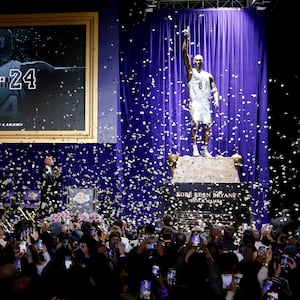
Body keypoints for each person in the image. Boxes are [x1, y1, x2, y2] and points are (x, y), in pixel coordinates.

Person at [0, 28, 85, 130]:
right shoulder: (28, 70)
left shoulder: (26, 71)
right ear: (9, 46)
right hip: (21, 137)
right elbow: (76, 74)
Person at [182, 26, 219, 157]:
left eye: (200, 60)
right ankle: (194, 148)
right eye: (196, 60)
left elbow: (215, 90)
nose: (198, 62)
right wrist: (186, 38)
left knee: (208, 125)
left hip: (205, 103)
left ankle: (204, 148)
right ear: (193, 61)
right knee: (195, 124)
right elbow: (184, 53)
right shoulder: (190, 72)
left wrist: (216, 100)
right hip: (195, 102)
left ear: (202, 62)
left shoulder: (208, 75)